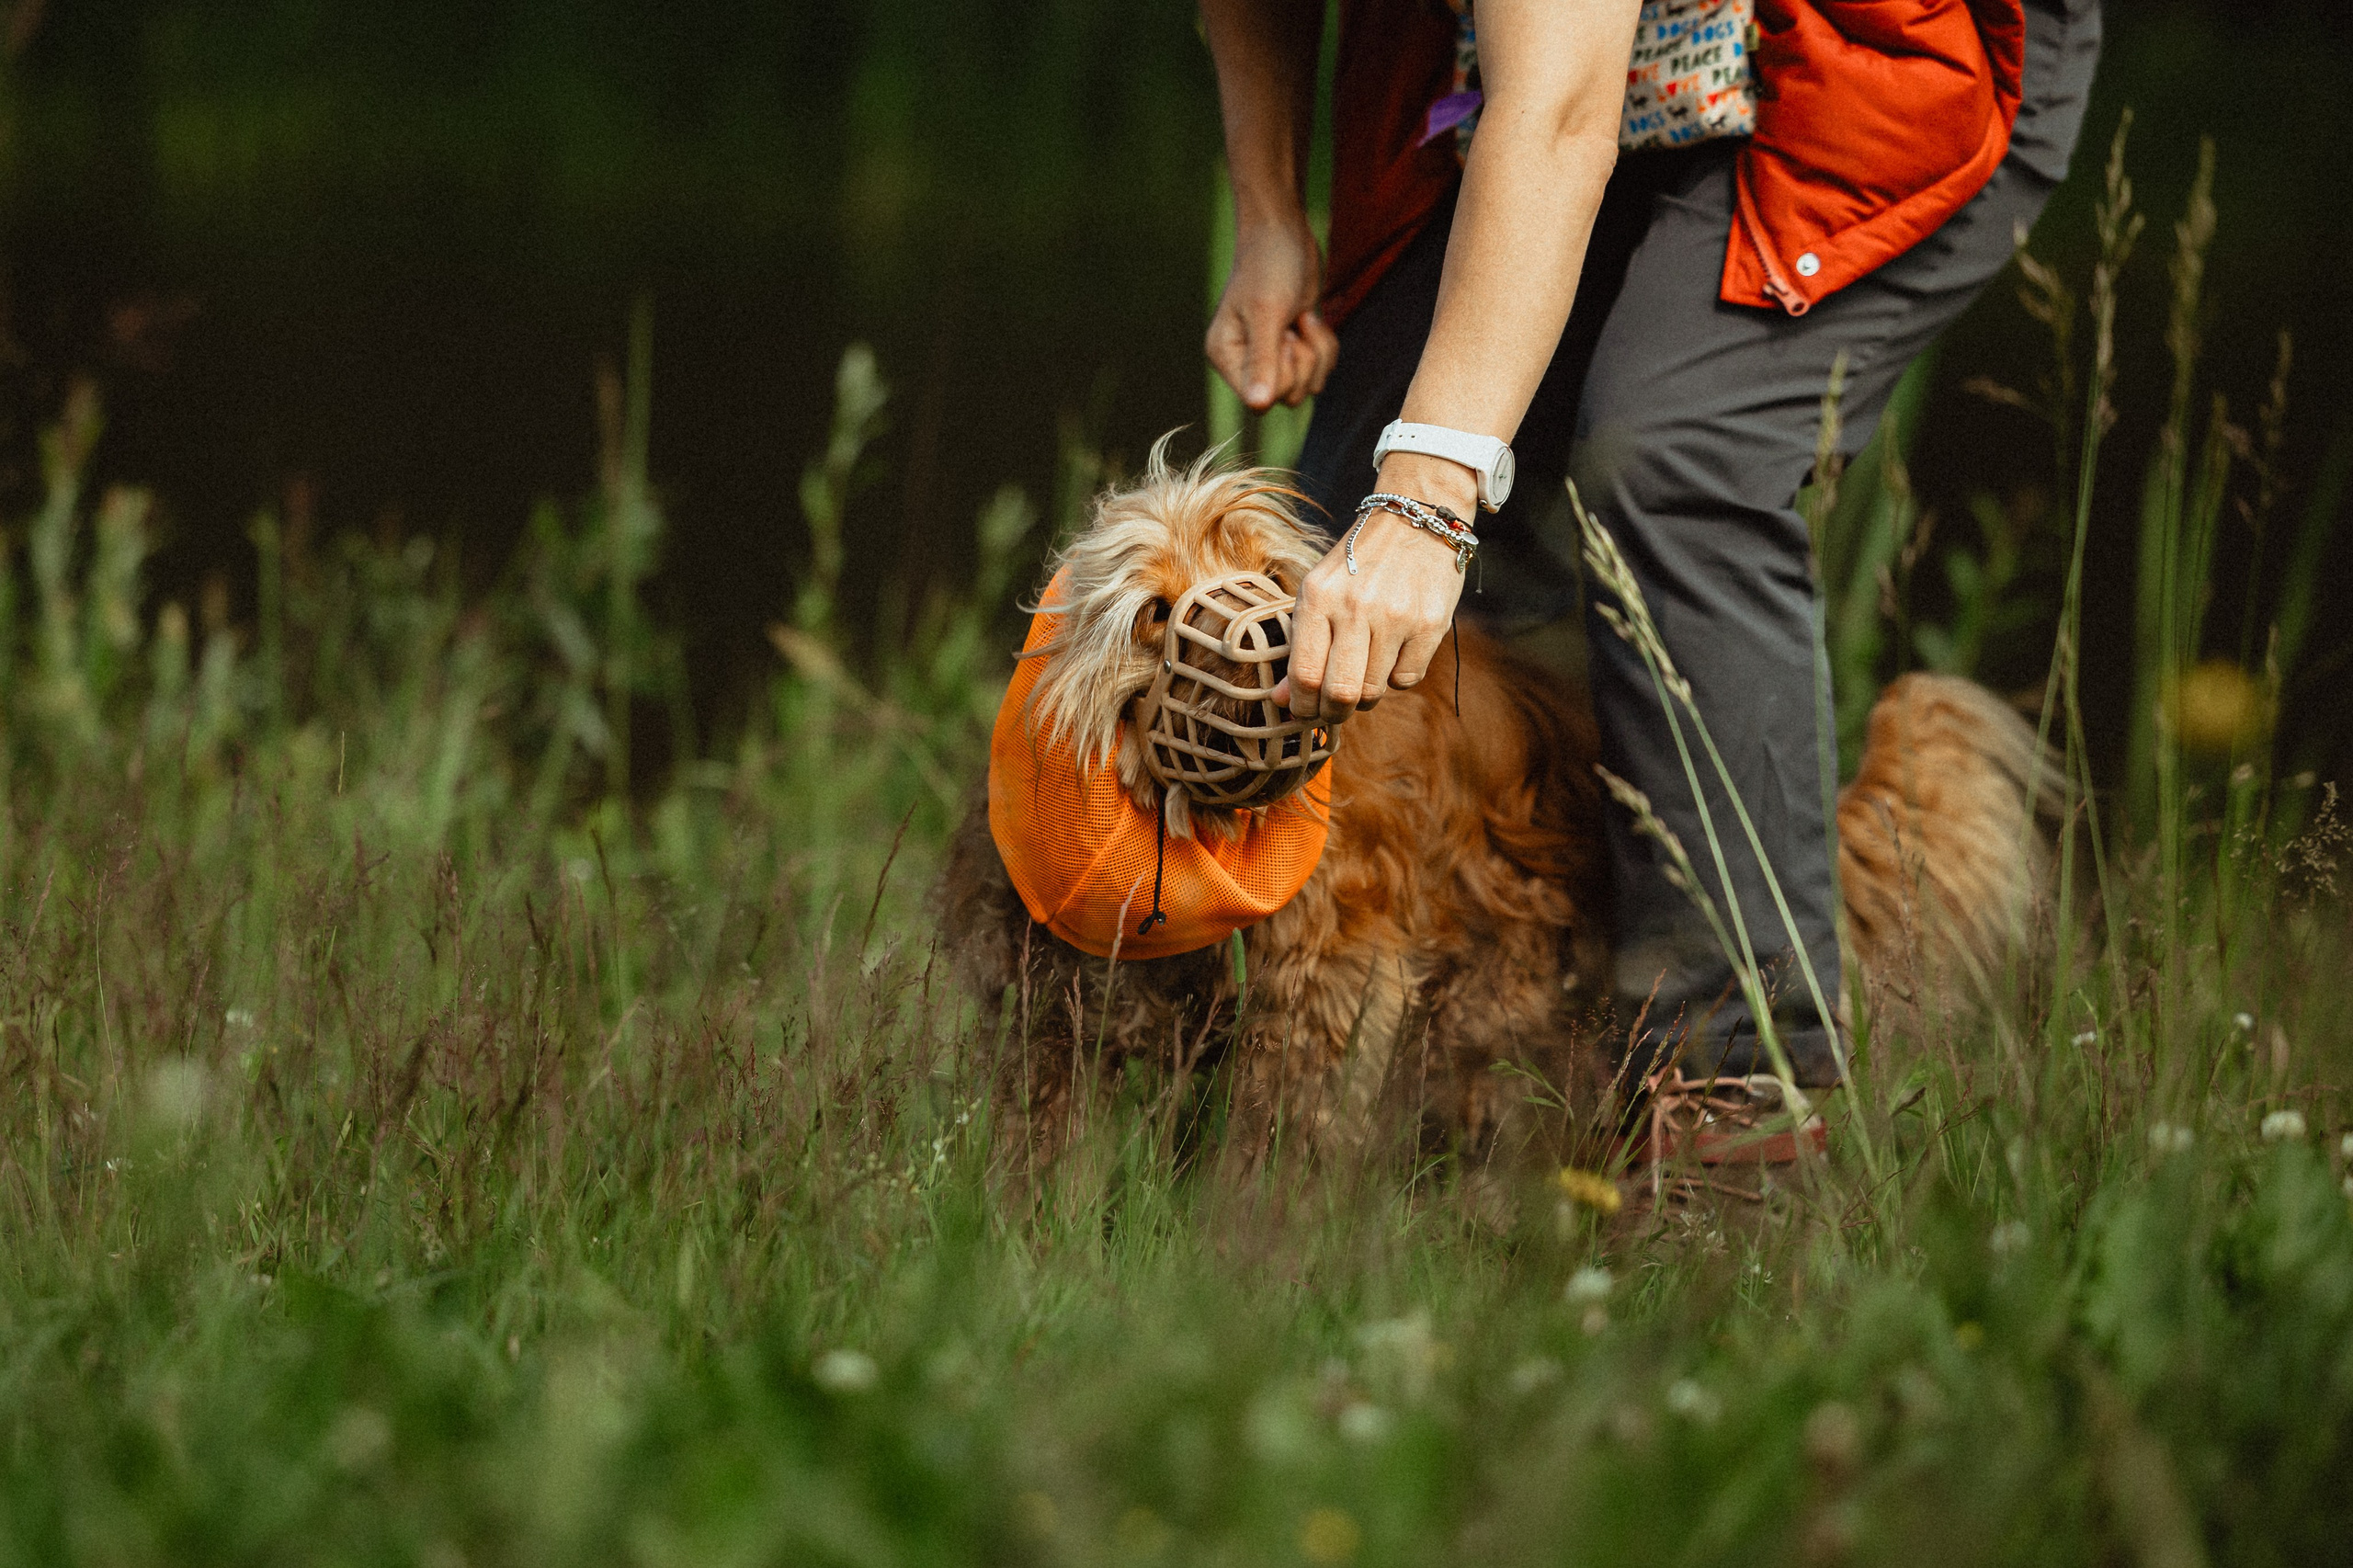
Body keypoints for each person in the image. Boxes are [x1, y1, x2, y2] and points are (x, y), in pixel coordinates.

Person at [1199, 0, 2100, 1091]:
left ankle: (1737, 1084)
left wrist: (1427, 504)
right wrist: (1270, 215)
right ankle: (1438, 1065)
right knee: (1327, 558)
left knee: (1669, 455)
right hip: (1518, 65)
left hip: (1878, 49)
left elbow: (1558, 114)